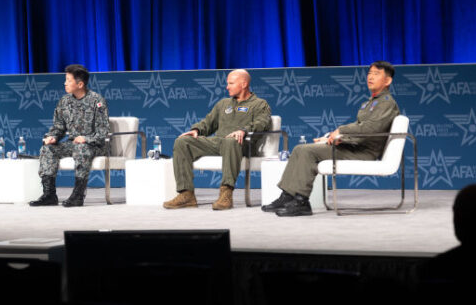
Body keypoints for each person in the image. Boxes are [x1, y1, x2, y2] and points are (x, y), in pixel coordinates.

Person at [263, 61, 400, 217]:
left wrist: (341, 132)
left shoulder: (387, 103)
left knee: (307, 152)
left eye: (376, 74)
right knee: (300, 149)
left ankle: (301, 202)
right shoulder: (370, 102)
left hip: (364, 152)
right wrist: (334, 136)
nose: (370, 77)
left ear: (387, 81)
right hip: (354, 146)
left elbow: (370, 130)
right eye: (369, 73)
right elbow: (359, 127)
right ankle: (287, 196)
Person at [163, 69, 271, 211]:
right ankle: (186, 194)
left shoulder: (259, 104)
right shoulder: (223, 103)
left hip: (242, 145)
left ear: (244, 84)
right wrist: (197, 130)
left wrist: (243, 130)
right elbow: (208, 123)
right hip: (219, 142)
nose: (227, 87)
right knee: (182, 142)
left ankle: (226, 193)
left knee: (230, 141)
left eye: (231, 83)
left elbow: (262, 123)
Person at [29, 64, 110, 207]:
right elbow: (58, 127)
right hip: (73, 144)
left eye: (68, 80)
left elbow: (103, 132)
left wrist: (86, 138)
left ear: (80, 84)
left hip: (95, 145)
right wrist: (53, 137)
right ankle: (49, 194)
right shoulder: (64, 102)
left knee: (81, 148)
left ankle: (78, 195)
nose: (64, 83)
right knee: (47, 149)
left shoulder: (97, 101)